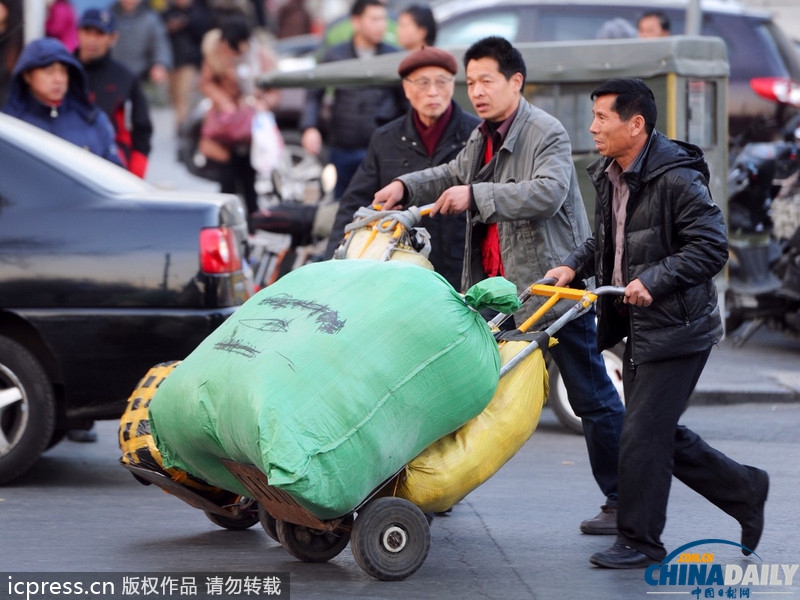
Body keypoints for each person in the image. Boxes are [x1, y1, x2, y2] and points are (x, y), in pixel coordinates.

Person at [374, 36, 625, 534]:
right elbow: (452, 173)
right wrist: (406, 186)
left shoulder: (545, 131)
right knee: (455, 383)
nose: (477, 92)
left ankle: (624, 501)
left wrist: (476, 194)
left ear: (516, 81)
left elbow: (549, 193)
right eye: (470, 83)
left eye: (486, 80)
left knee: (592, 396)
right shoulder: (484, 135)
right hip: (497, 290)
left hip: (551, 291)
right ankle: (431, 485)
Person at [544, 78, 769, 568]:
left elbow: (711, 247)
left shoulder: (676, 176)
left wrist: (656, 279)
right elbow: (611, 241)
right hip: (640, 325)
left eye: (603, 117)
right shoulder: (610, 172)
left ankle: (641, 542)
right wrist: (573, 265)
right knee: (655, 430)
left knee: (643, 433)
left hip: (679, 326)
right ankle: (746, 489)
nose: (593, 127)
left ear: (636, 123)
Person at [324, 46, 479, 289]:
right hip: (401, 265)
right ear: (406, 88)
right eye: (423, 83)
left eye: (442, 82)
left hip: (465, 265)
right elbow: (354, 204)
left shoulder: (477, 134)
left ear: (453, 85)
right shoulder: (386, 138)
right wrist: (333, 263)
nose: (433, 92)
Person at [299, 0, 406, 201]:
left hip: (384, 148)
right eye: (374, 19)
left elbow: (406, 102)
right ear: (356, 22)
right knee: (343, 203)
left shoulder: (393, 56)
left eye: (383, 19)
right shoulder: (336, 55)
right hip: (344, 144)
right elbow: (314, 92)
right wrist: (309, 127)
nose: (380, 25)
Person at [198, 12, 275, 225]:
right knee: (226, 180)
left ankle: (252, 225)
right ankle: (226, 226)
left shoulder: (259, 55)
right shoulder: (215, 52)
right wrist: (225, 102)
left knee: (249, 180)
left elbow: (273, 88)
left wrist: (261, 103)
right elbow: (206, 83)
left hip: (251, 130)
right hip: (225, 129)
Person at [2, 37, 123, 167]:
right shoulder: (10, 126)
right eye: (49, 72)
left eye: (63, 71)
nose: (58, 79)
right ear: (27, 76)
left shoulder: (91, 119)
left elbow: (116, 175)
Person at [76, 7, 154, 178]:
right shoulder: (64, 71)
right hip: (68, 161)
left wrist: (134, 175)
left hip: (112, 168)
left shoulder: (124, 77)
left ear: (113, 38)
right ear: (78, 32)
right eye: (87, 32)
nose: (92, 40)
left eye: (99, 34)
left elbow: (142, 128)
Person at [162, 0, 214, 129]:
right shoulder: (168, 11)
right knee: (173, 95)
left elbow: (203, 32)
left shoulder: (199, 11)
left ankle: (182, 128)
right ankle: (183, 126)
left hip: (189, 61)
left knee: (183, 95)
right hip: (171, 60)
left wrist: (186, 22)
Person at [110, 0, 173, 87]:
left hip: (142, 76)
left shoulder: (151, 18)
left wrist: (160, 64)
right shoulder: (108, 16)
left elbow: (160, 44)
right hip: (113, 75)